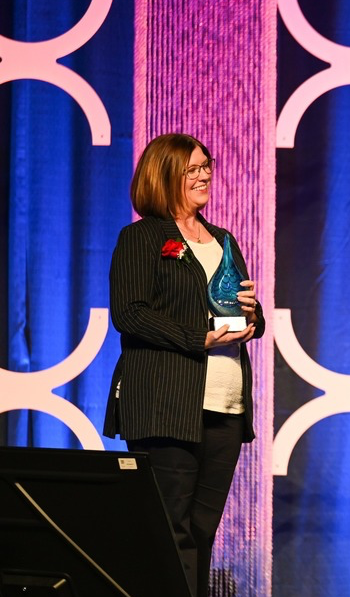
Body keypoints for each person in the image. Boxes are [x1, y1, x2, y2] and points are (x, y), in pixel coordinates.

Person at [103, 133, 265, 597]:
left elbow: (244, 312)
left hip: (225, 405)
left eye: (206, 165)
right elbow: (130, 313)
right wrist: (199, 336)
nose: (204, 175)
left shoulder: (224, 239)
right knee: (169, 531)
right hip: (165, 403)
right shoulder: (142, 237)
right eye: (192, 169)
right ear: (164, 177)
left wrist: (253, 316)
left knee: (201, 532)